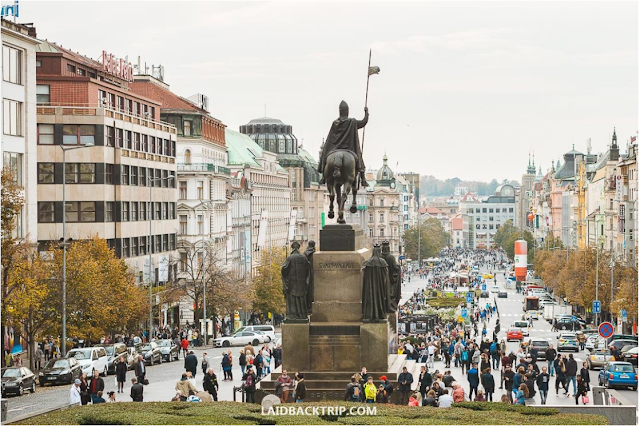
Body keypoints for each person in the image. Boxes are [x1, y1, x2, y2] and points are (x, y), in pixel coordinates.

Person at [317, 101, 369, 187]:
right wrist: (366, 113)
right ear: (347, 111)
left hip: (335, 148)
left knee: (325, 155)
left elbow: (330, 138)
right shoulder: (352, 122)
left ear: (340, 111)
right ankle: (363, 179)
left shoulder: (335, 123)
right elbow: (363, 122)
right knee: (359, 157)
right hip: (349, 149)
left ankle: (323, 177)